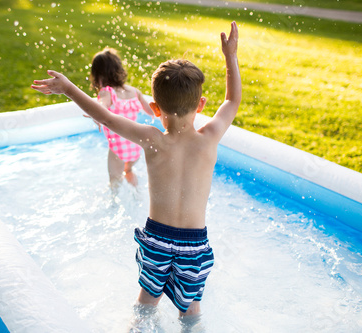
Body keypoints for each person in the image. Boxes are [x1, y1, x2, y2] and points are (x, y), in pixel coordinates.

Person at [32, 21, 241, 320]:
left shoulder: (151, 139)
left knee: (145, 305)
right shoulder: (209, 138)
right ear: (201, 104)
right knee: (191, 309)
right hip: (195, 243)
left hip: (157, 237)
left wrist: (68, 88)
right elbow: (232, 100)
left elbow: (104, 117)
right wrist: (230, 55)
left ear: (155, 108)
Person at [90, 48, 153, 190]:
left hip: (117, 150)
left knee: (115, 181)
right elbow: (151, 110)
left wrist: (96, 113)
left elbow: (102, 105)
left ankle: (114, 204)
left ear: (98, 76)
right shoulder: (134, 91)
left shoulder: (107, 92)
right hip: (135, 146)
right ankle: (137, 195)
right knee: (128, 170)